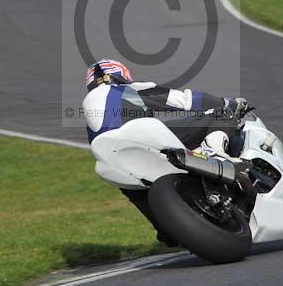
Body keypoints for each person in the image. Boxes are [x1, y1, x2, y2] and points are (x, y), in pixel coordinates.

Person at [81, 58, 248, 246]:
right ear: (120, 75)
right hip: (140, 135)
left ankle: (164, 229)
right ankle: (215, 154)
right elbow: (185, 100)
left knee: (131, 188)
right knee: (220, 113)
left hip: (111, 156)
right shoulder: (127, 89)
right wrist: (228, 103)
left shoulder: (90, 112)